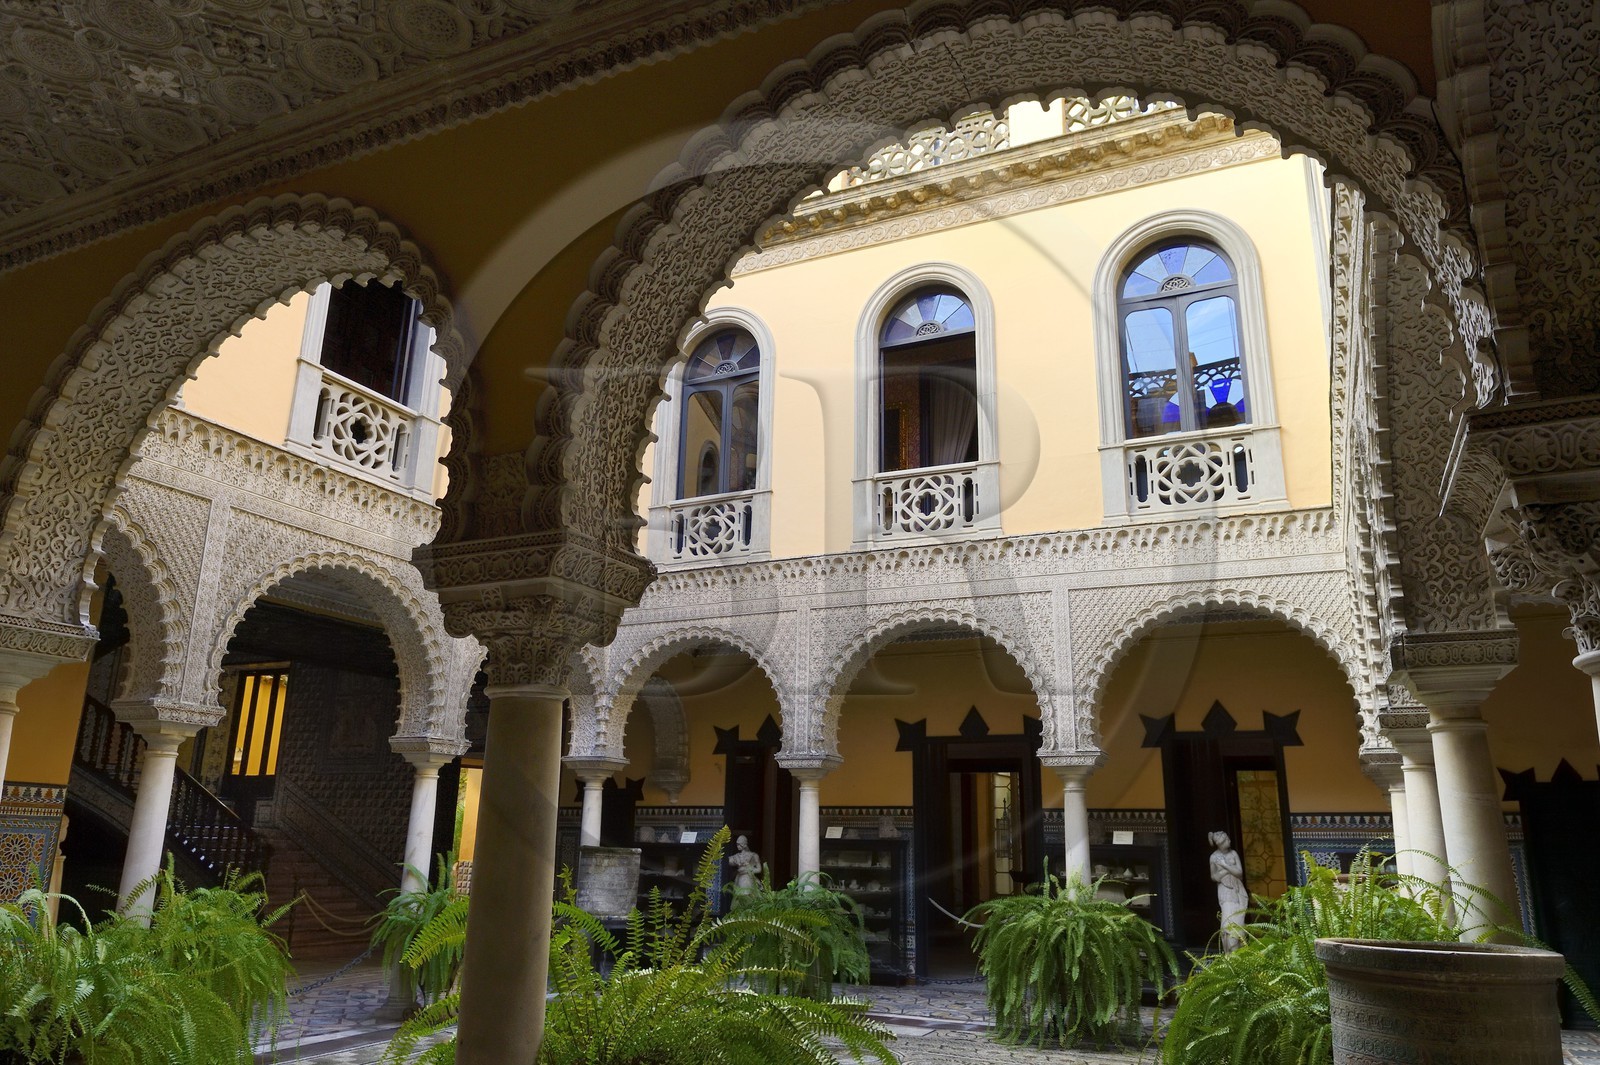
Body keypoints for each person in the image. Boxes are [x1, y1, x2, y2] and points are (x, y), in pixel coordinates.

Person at [1208, 830, 1249, 952]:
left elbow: (1239, 873)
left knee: (1239, 922)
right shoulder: (1213, 857)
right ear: (1221, 843)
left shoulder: (1233, 853)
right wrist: (1227, 871)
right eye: (1227, 840)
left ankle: (1240, 951)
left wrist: (1225, 865)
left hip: (1237, 889)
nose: (1230, 841)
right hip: (1225, 891)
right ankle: (1230, 952)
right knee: (1228, 922)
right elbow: (1214, 877)